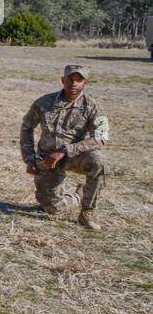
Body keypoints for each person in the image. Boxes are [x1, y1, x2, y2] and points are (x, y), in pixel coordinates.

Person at [20, 64, 108, 230]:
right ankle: (77, 196)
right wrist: (29, 158)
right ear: (63, 80)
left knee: (99, 161)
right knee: (52, 208)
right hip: (47, 158)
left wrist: (65, 150)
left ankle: (87, 213)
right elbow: (26, 127)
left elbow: (101, 137)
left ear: (86, 83)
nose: (74, 83)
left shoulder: (93, 106)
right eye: (70, 79)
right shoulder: (43, 102)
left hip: (76, 156)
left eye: (79, 80)